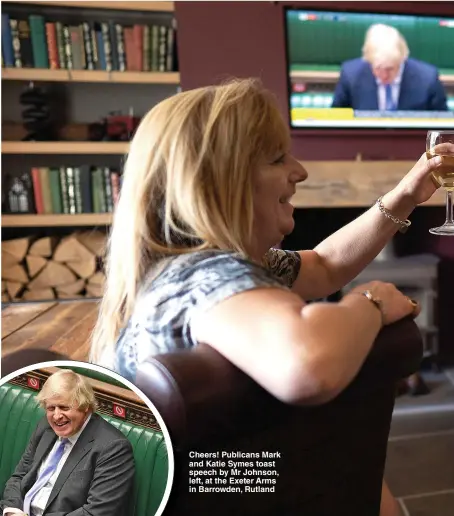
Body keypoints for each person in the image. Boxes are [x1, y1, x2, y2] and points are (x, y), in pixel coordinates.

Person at [90, 78, 446, 516]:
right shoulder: (204, 277)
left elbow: (324, 265)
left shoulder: (207, 266)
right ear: (219, 183)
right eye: (278, 159)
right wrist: (369, 301)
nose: (300, 171)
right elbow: (308, 362)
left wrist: (407, 194)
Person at [0, 370, 135, 516]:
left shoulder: (113, 447)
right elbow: (19, 477)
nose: (57, 416)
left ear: (86, 407)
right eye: (51, 408)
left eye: (64, 407)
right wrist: (12, 512)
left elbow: (96, 512)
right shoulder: (46, 426)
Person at [332, 23, 448, 111]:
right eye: (378, 68)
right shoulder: (351, 75)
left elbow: (443, 123)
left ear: (403, 59)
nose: (384, 75)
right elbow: (334, 119)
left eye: (390, 69)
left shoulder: (428, 79)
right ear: (368, 60)